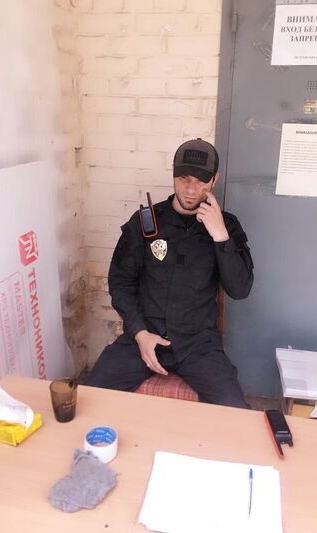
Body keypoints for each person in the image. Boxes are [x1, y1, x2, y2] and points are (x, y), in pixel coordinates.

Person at [86, 139, 254, 408]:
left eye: (201, 180)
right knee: (89, 399)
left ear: (215, 180)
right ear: (173, 174)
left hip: (198, 345)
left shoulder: (228, 226)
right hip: (144, 338)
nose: (191, 189)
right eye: (184, 178)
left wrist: (221, 236)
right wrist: (139, 333)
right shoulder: (145, 222)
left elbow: (240, 289)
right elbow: (121, 282)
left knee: (235, 412)